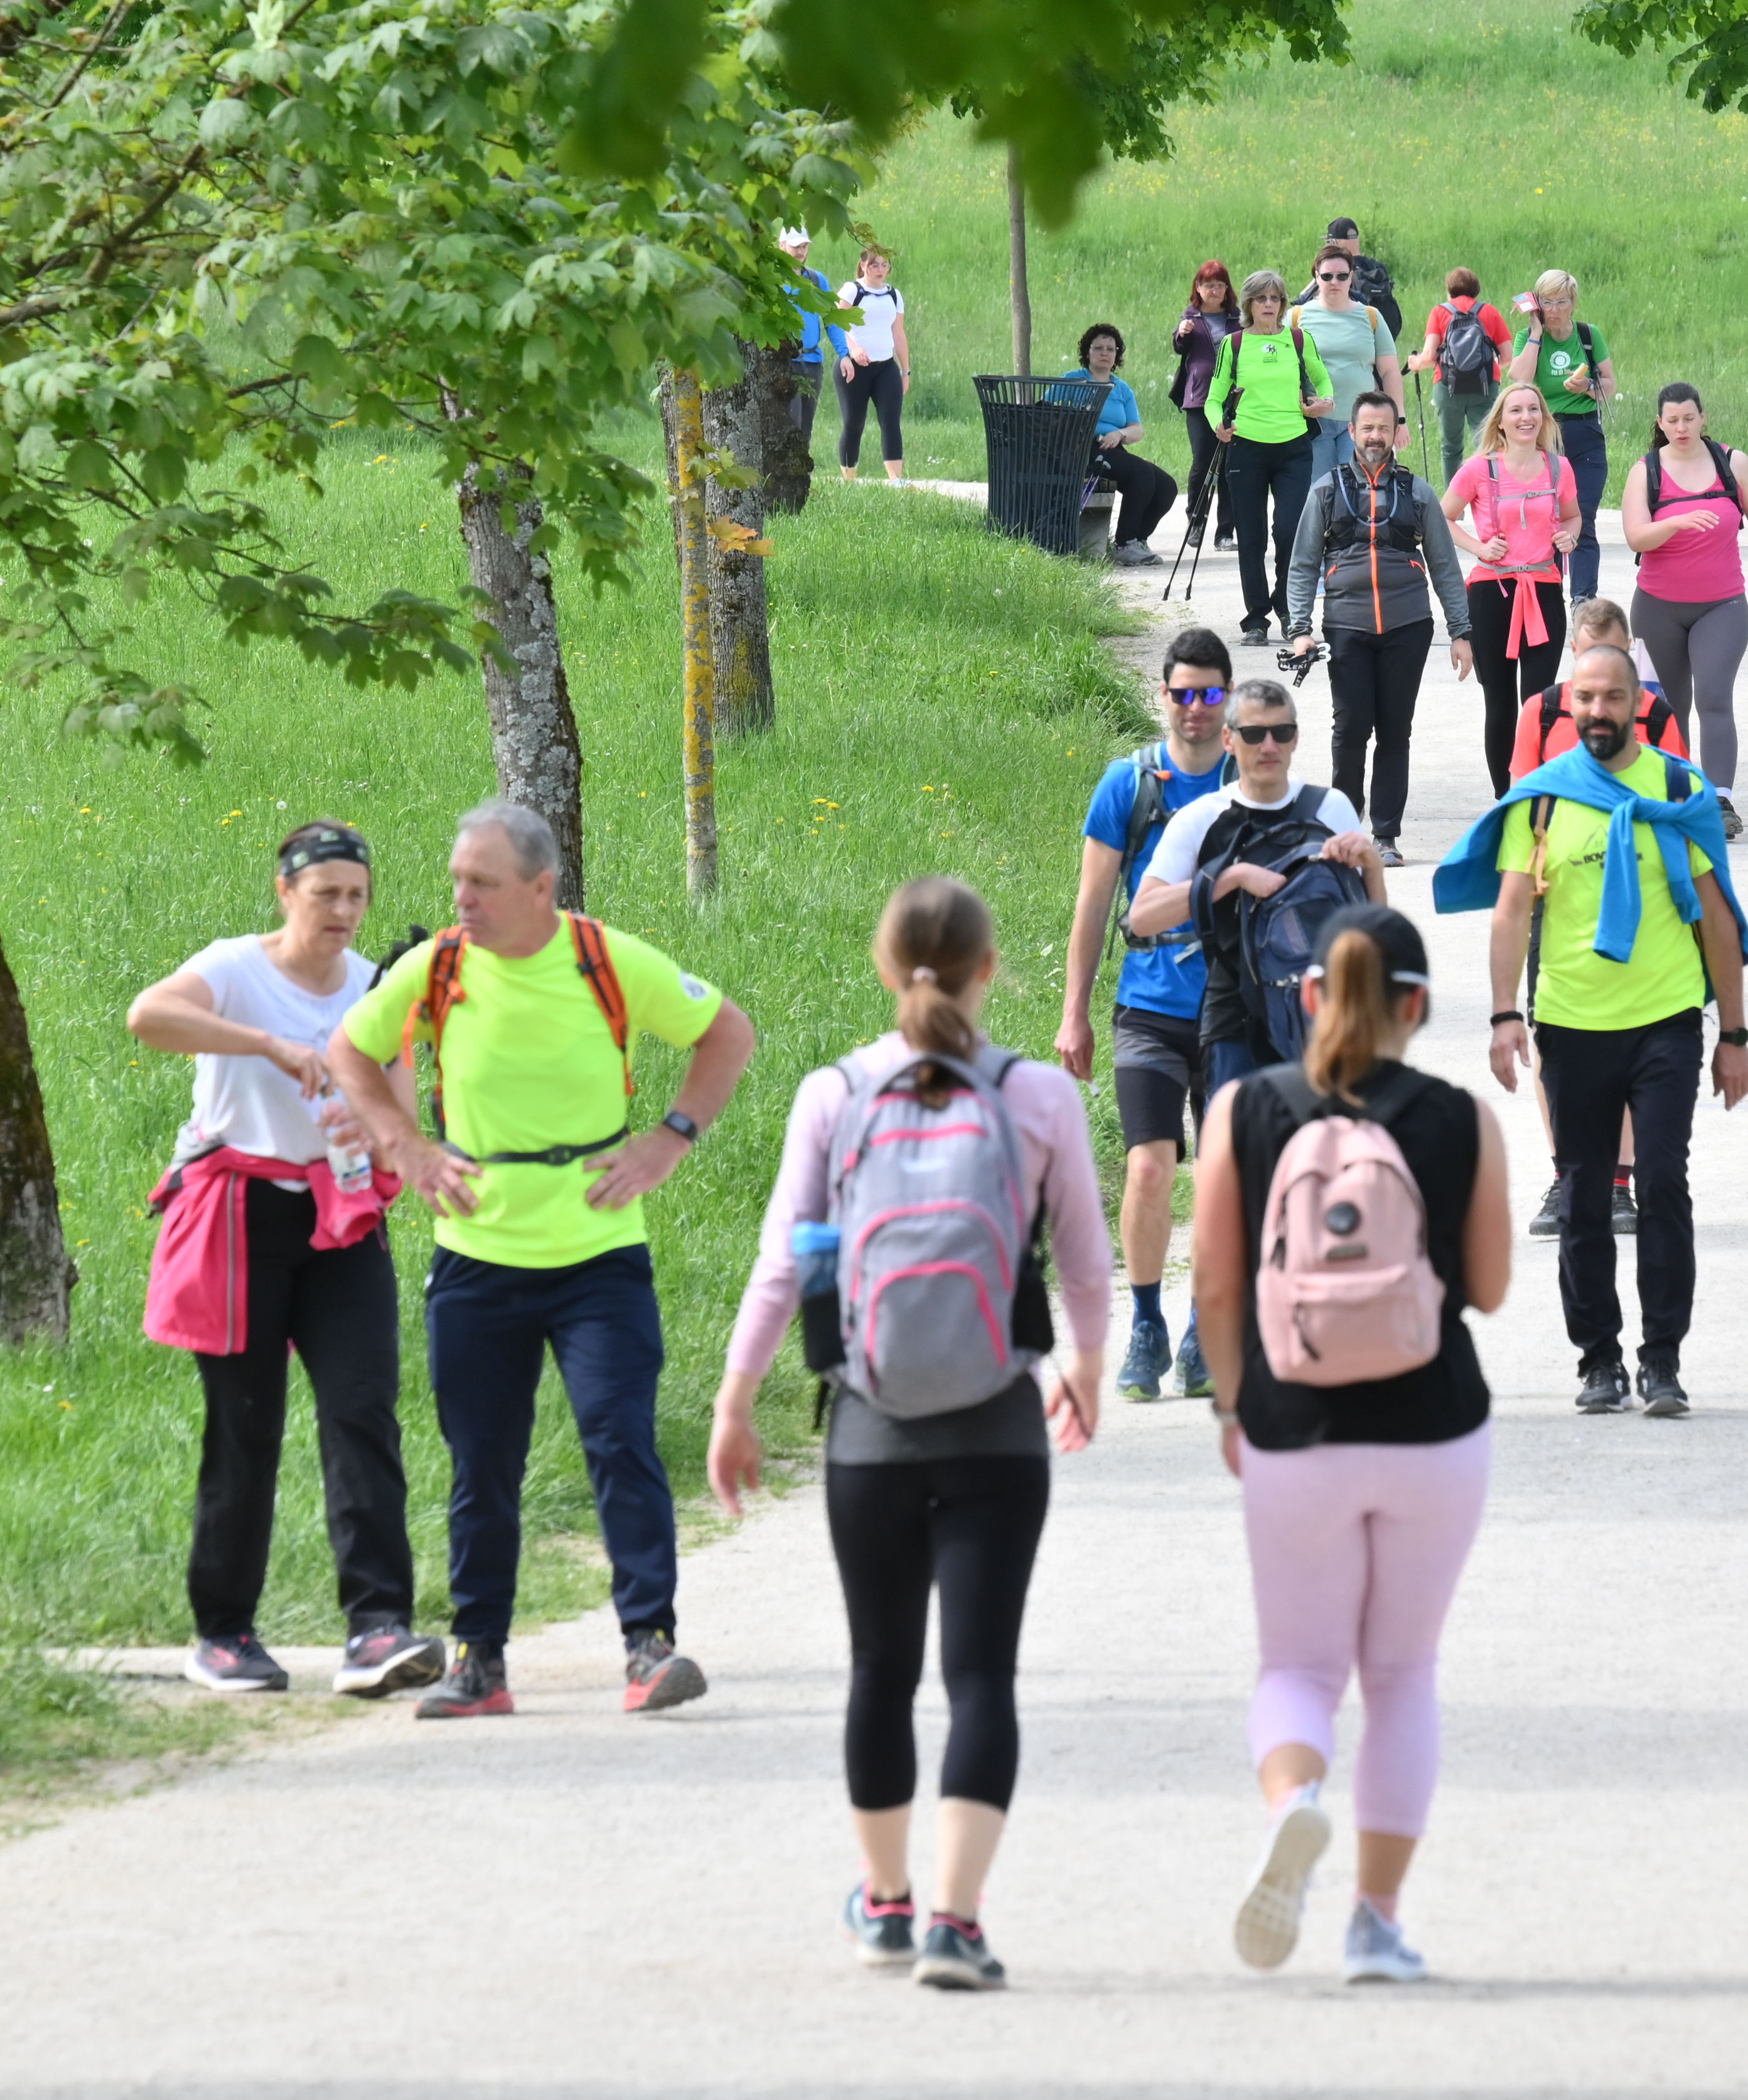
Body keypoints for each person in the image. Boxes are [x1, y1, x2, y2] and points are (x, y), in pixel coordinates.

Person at [710, 878, 1112, 1993]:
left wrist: (736, 1400)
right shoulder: (1036, 1093)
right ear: (990, 970)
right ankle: (957, 1922)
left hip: (870, 1427)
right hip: (997, 1424)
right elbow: (1085, 1260)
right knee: (980, 1676)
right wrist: (1084, 1366)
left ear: (886, 969)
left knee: (880, 1670)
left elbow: (785, 1261)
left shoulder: (834, 1092)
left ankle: (884, 1902)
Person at [325, 798, 761, 1721]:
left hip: (599, 1257)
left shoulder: (606, 959)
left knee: (620, 1440)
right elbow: (350, 1050)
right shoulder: (436, 966)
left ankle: (650, 1645)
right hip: (476, 1261)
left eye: (482, 883)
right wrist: (406, 1148)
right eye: (458, 879)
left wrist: (670, 1138)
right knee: (482, 1464)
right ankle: (480, 1661)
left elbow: (728, 1031)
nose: (463, 898)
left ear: (540, 887)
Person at [1188, 903, 1511, 1985]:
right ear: (1417, 1006)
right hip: (1435, 1428)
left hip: (1294, 1430)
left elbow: (1218, 1283)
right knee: (1403, 1673)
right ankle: (1375, 1922)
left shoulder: (1244, 1109)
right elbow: (1490, 1287)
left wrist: (1233, 1406)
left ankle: (1296, 1799)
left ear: (1312, 995)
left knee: (1297, 1667)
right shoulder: (1461, 1118)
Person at [127, 822, 441, 1699]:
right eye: (326, 893)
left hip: (341, 1222)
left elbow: (400, 1118)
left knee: (362, 1413)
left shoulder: (375, 988)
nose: (344, 911)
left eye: (357, 896)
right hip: (239, 1217)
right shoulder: (235, 969)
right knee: (247, 1425)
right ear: (285, 892)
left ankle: (377, 1628)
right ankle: (223, 1633)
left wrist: (373, 1128)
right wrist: (266, 1045)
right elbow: (148, 1016)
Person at [1439, 640, 1748, 1416]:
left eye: (1613, 697)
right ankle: (1599, 1360)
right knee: (1583, 1196)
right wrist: (1505, 1015)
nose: (1597, 712)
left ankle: (1663, 1357)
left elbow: (1717, 919)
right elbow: (1511, 911)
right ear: (1571, 703)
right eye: (1584, 699)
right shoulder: (1544, 799)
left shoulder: (1678, 790)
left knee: (1662, 1183)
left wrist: (1734, 1034)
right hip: (1572, 1025)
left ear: (1638, 705)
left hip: (1667, 1020)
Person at [1054, 627, 1239, 1404]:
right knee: (1149, 1167)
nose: (1196, 707)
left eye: (1210, 693)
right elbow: (1093, 905)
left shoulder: (1252, 778)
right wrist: (1074, 1013)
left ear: (1228, 696)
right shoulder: (1127, 785)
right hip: (1149, 1008)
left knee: (1223, 1179)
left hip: (1235, 1012)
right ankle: (1146, 1322)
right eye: (1183, 693)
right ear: (1162, 696)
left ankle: (1203, 1328)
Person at [1501, 598, 1686, 1237]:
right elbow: (1521, 801)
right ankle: (1569, 1176)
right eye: (1588, 661)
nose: (1600, 693)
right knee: (1554, 1040)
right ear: (1573, 658)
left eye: (1614, 663)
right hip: (1557, 902)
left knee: (1633, 1037)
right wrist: (1529, 870)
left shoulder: (1657, 717)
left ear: (1631, 659)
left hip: (1639, 903)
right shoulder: (1541, 711)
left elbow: (1678, 803)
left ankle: (1618, 1185)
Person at [1127, 677, 1389, 1116]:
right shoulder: (1201, 820)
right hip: (1234, 1025)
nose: (1269, 746)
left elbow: (1377, 934)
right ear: (1229, 740)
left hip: (1325, 1024)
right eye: (1253, 734)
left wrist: (1373, 868)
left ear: (1296, 739)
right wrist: (1229, 878)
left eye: (1281, 732)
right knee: (1233, 1157)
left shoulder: (1332, 808)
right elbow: (1143, 917)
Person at [1285, 392, 1474, 863]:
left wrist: (1461, 631)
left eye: (1384, 429)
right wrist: (1300, 629)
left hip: (1408, 625)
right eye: (1367, 428)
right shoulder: (1326, 490)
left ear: (1395, 435)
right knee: (1350, 729)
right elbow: (1303, 563)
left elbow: (1445, 566)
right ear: (1352, 431)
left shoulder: (1418, 492)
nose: (1375, 437)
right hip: (1346, 625)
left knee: (1395, 730)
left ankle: (1386, 836)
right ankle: (1345, 830)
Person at [1615, 382, 1748, 837]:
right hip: (1657, 608)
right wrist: (1677, 521)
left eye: (1689, 418)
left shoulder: (1732, 464)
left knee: (1714, 698)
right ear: (1660, 424)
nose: (1681, 428)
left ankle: (1720, 801)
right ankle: (1678, 798)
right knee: (1669, 706)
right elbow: (1636, 536)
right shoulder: (1646, 472)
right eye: (1672, 420)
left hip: (1722, 606)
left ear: (1703, 418)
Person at [1444, 381, 1574, 794]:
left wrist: (1569, 536)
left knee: (1538, 705)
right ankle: (1506, 800)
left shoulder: (1558, 468)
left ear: (1544, 418)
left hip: (1544, 591)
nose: (1526, 418)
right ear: (1500, 421)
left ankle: (1535, 794)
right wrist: (1480, 548)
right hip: (1491, 596)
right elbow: (1442, 519)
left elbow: (1573, 517)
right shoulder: (1478, 469)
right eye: (1516, 410)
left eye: (1534, 409)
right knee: (1499, 706)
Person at [1206, 272, 1334, 639]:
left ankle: (1288, 609)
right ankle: (1256, 620)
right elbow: (1214, 400)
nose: (1268, 305)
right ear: (1249, 303)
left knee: (1291, 532)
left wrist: (1325, 402)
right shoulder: (1233, 344)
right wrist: (1219, 425)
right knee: (1251, 537)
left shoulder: (1299, 339)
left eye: (1275, 298)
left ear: (1282, 304)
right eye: (1261, 298)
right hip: (1246, 447)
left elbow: (1323, 381)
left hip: (1294, 448)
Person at [1507, 596, 1689, 780]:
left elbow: (1684, 792)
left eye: (1611, 653)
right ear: (1575, 649)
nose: (1601, 666)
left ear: (1627, 648)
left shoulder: (1656, 715)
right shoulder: (1541, 712)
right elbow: (1520, 793)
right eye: (1592, 654)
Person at [1510, 272, 1612, 599]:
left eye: (1561, 302)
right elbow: (1519, 380)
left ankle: (1583, 598)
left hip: (1585, 433)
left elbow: (1609, 384)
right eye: (1547, 302)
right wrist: (1536, 335)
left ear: (1573, 303)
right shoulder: (1527, 337)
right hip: (1545, 436)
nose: (1554, 310)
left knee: (1583, 518)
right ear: (1537, 305)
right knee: (1548, 521)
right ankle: (1549, 594)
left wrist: (1588, 386)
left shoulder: (1588, 335)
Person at [1290, 250, 1406, 497]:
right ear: (1316, 277)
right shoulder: (1297, 317)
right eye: (1327, 276)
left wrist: (1400, 420)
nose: (1335, 282)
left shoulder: (1371, 317)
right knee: (1320, 495)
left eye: (1342, 276)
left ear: (1351, 277)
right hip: (1313, 424)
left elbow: (1390, 371)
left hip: (1361, 422)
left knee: (1359, 493)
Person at [1064, 322, 1178, 561]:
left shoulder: (1122, 389)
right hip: (1081, 448)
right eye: (1098, 348)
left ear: (1117, 355)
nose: (1105, 353)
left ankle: (1138, 540)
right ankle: (1124, 545)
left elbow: (1137, 430)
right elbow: (1046, 411)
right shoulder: (1073, 381)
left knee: (1167, 486)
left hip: (1113, 448)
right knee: (1141, 473)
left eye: (1110, 349)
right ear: (1087, 352)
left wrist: (1119, 435)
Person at [1411, 268, 1515, 480]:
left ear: (1449, 291)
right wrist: (1488, 368)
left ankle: (1453, 499)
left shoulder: (1440, 312)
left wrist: (1414, 363)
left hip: (1448, 387)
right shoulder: (1489, 312)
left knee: (1451, 448)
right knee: (1488, 445)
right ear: (1476, 290)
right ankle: (1491, 493)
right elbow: (1508, 356)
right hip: (1485, 387)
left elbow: (1429, 356)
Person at [1169, 261, 1245, 545]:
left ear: (1227, 289)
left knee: (1230, 466)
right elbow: (1179, 347)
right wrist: (1182, 332)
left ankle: (1225, 532)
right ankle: (1196, 523)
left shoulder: (1239, 319)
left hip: (1235, 399)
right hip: (1199, 398)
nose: (1214, 290)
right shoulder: (1190, 318)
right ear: (1198, 288)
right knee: (1202, 463)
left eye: (1219, 285)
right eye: (1208, 285)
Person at [761, 226, 834, 513]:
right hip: (782, 362)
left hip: (812, 363)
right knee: (787, 426)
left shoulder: (816, 280)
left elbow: (832, 319)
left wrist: (846, 355)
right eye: (796, 247)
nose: (801, 252)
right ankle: (775, 492)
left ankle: (796, 494)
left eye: (804, 247)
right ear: (782, 246)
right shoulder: (772, 278)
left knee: (805, 430)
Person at [834, 242, 913, 484]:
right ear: (863, 266)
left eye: (884, 265)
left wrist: (905, 371)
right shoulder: (853, 290)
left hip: (885, 367)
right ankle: (848, 480)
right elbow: (837, 323)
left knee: (891, 421)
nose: (880, 270)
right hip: (854, 367)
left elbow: (898, 333)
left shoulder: (893, 295)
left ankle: (896, 480)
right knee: (854, 422)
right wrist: (853, 349)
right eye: (874, 265)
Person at [1321, 215, 1407, 343]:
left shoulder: (1337, 271)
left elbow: (1304, 300)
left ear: (1335, 243)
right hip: (1385, 335)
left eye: (1328, 242)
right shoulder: (1378, 267)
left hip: (1354, 338)